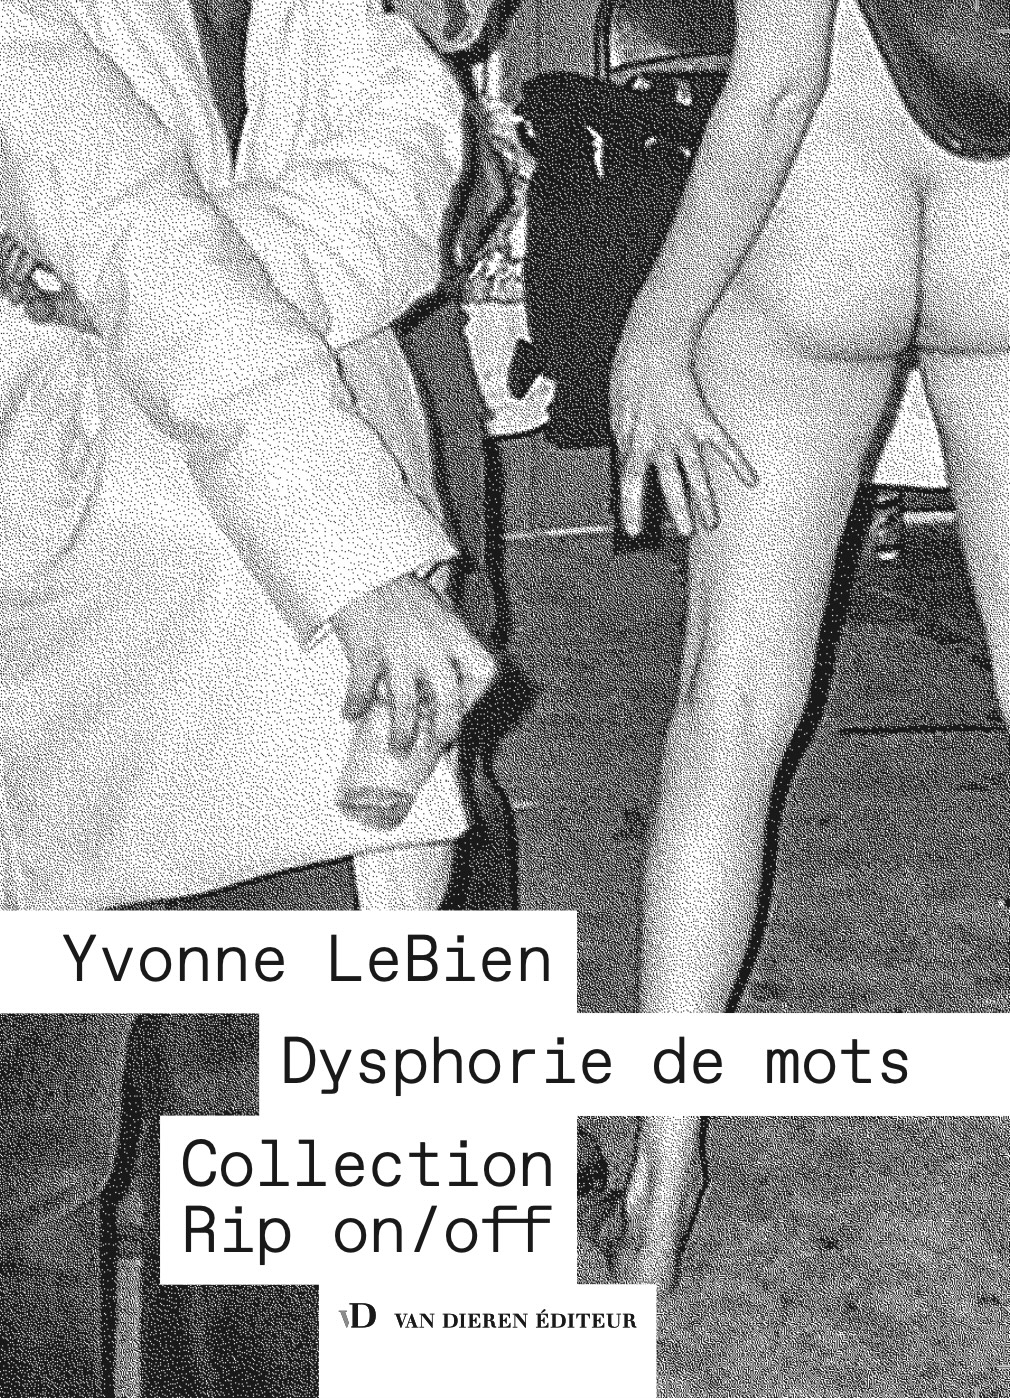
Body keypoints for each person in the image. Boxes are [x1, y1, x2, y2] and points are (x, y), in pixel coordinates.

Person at [0, 0, 498, 1391]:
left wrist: (141, 274)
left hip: (285, 624)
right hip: (77, 582)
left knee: (268, 1147)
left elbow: (403, 192)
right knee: (34, 1155)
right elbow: (135, 230)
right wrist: (363, 571)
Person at [605, 0, 1009, 1287]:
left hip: (817, 219)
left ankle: (661, 1172)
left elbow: (775, 87)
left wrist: (653, 332)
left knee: (726, 711)